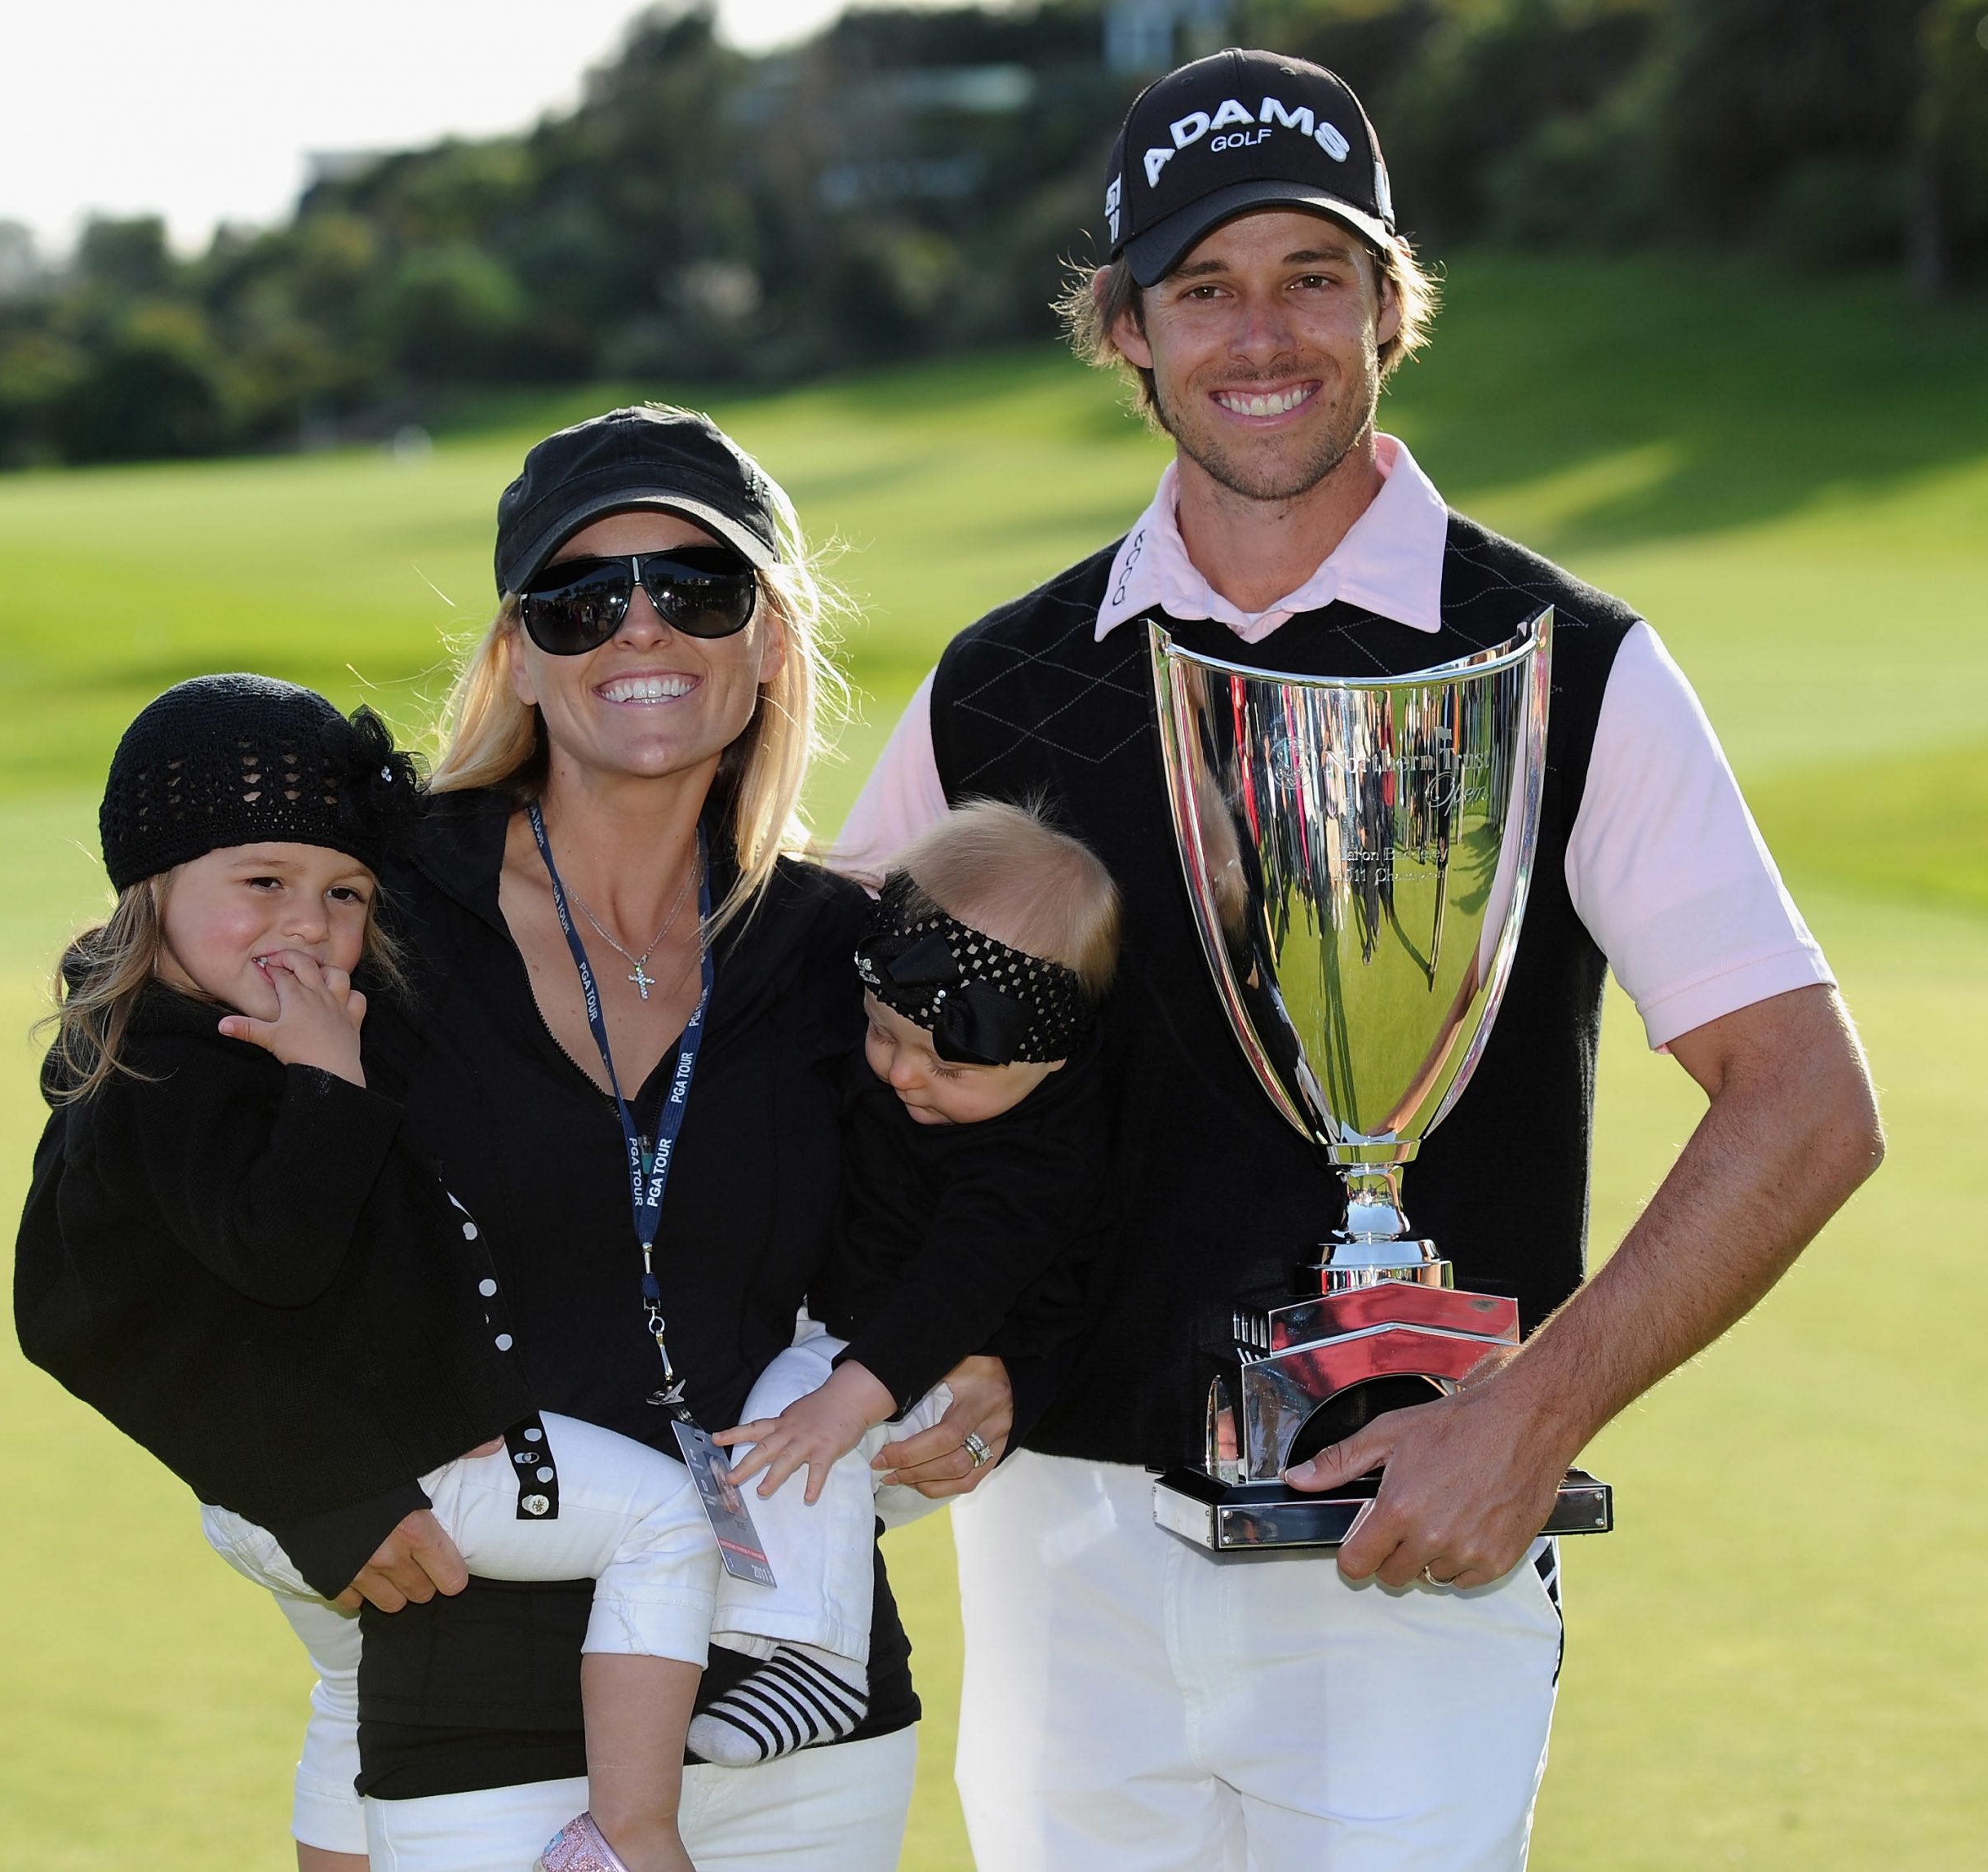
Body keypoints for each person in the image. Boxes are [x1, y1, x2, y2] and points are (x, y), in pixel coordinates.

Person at [837, 48, 1884, 1871]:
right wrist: (951, 1335)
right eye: (1201, 287)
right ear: (1127, 334)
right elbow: (822, 1062)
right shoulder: (999, 683)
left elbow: (1803, 1102)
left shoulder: (1564, 659)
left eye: (1310, 276)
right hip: (1057, 1551)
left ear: (1388, 309)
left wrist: (1526, 1415)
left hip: (1409, 1549)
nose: (1261, 334)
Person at [334, 405, 1013, 1872]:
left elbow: (971, 1208)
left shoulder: (847, 949)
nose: (641, 626)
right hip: (475, 1700)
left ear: (769, 638)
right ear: (517, 653)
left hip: (803, 1701)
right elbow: (142, 1210)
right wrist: (300, 1481)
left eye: (697, 586)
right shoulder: (380, 912)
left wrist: (977, 1354)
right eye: (582, 597)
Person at [13, 674, 722, 1872]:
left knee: (354, 1691)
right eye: (261, 882)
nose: (307, 921)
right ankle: (634, 1829)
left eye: (343, 891)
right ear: (152, 890)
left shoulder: (177, 1039)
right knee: (665, 1519)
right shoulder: (177, 1071)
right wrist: (329, 1083)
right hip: (383, 1467)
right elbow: (278, 1255)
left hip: (294, 1479)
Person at [690, 799, 1119, 1768]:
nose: (908, 1075)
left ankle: (821, 1657)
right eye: (886, 1034)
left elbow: (957, 1288)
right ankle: (757, 1616)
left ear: (1048, 1050)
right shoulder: (901, 1061)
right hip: (849, 1324)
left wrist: (848, 1395)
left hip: (937, 1360)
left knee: (794, 1416)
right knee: (758, 1423)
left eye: (950, 1062)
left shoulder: (1043, 1156)